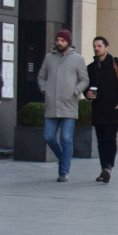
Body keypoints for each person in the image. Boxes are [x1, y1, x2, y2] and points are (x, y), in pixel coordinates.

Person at [37, 30, 89, 182]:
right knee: (48, 136)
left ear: (68, 42)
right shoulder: (49, 58)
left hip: (69, 105)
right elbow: (41, 77)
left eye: (62, 40)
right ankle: (63, 158)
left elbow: (84, 80)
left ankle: (64, 171)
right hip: (52, 104)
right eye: (57, 40)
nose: (59, 43)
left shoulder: (78, 59)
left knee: (66, 138)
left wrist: (76, 90)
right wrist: (44, 89)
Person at [84, 36, 118, 183]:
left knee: (110, 138)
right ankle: (104, 168)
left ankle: (108, 167)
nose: (97, 48)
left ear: (106, 47)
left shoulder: (117, 64)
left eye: (99, 46)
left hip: (114, 109)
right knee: (101, 140)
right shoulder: (91, 68)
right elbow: (86, 87)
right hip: (98, 109)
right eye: (95, 46)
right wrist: (87, 94)